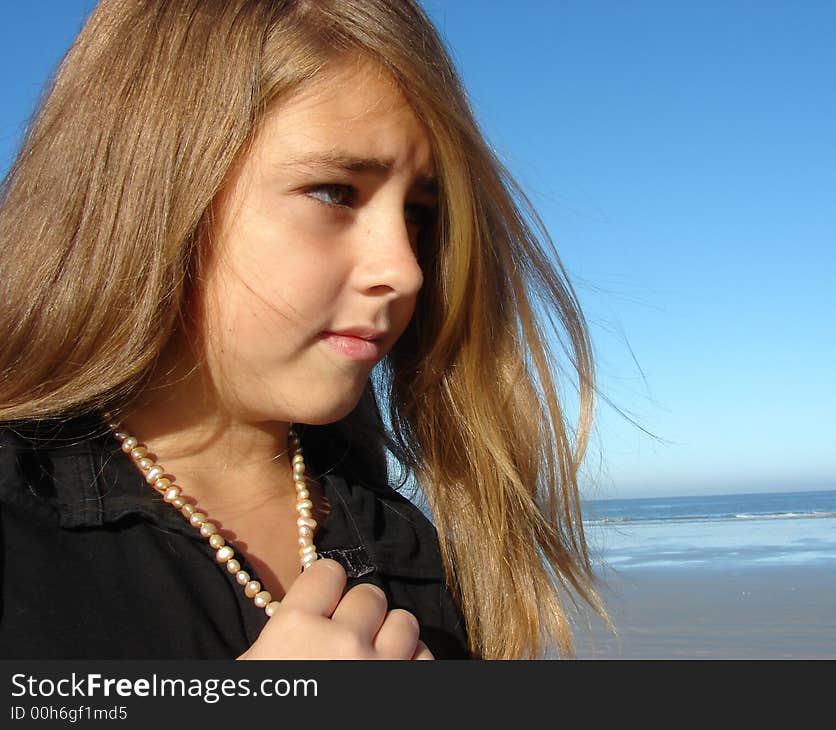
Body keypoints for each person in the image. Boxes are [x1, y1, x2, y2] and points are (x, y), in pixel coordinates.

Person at [0, 0, 607, 660]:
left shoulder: (405, 547)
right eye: (334, 193)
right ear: (147, 191)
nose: (404, 270)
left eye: (419, 216)